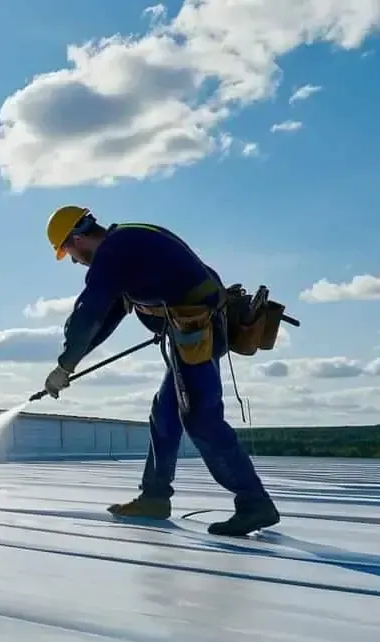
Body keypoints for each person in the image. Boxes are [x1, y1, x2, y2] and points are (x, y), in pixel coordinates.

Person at [40, 205, 280, 537]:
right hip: (193, 333)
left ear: (77, 239)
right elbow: (107, 317)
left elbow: (89, 312)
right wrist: (66, 365)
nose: (72, 260)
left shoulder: (114, 252)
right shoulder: (123, 245)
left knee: (200, 418)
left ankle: (254, 502)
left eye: (67, 251)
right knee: (164, 414)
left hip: (197, 332)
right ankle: (154, 497)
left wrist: (65, 365)